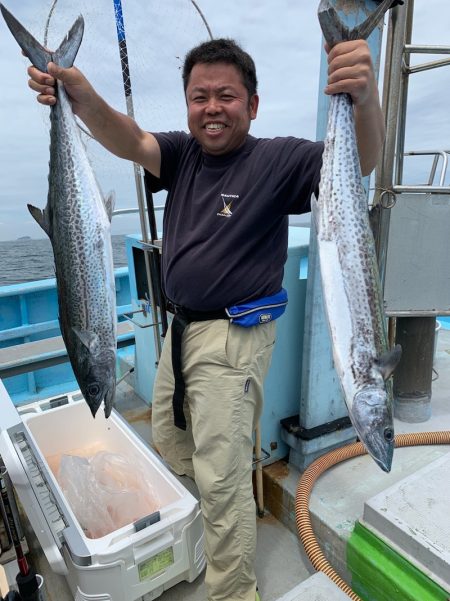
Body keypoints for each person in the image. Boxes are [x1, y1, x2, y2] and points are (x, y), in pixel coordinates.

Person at [27, 34, 384, 601]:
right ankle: (217, 532)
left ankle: (234, 590)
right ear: (188, 103)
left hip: (233, 338)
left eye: (226, 96)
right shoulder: (184, 154)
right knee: (172, 442)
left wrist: (364, 100)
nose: (212, 108)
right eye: (199, 97)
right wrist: (79, 92)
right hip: (181, 330)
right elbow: (130, 138)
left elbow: (356, 162)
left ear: (253, 104)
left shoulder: (278, 158)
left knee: (220, 477)